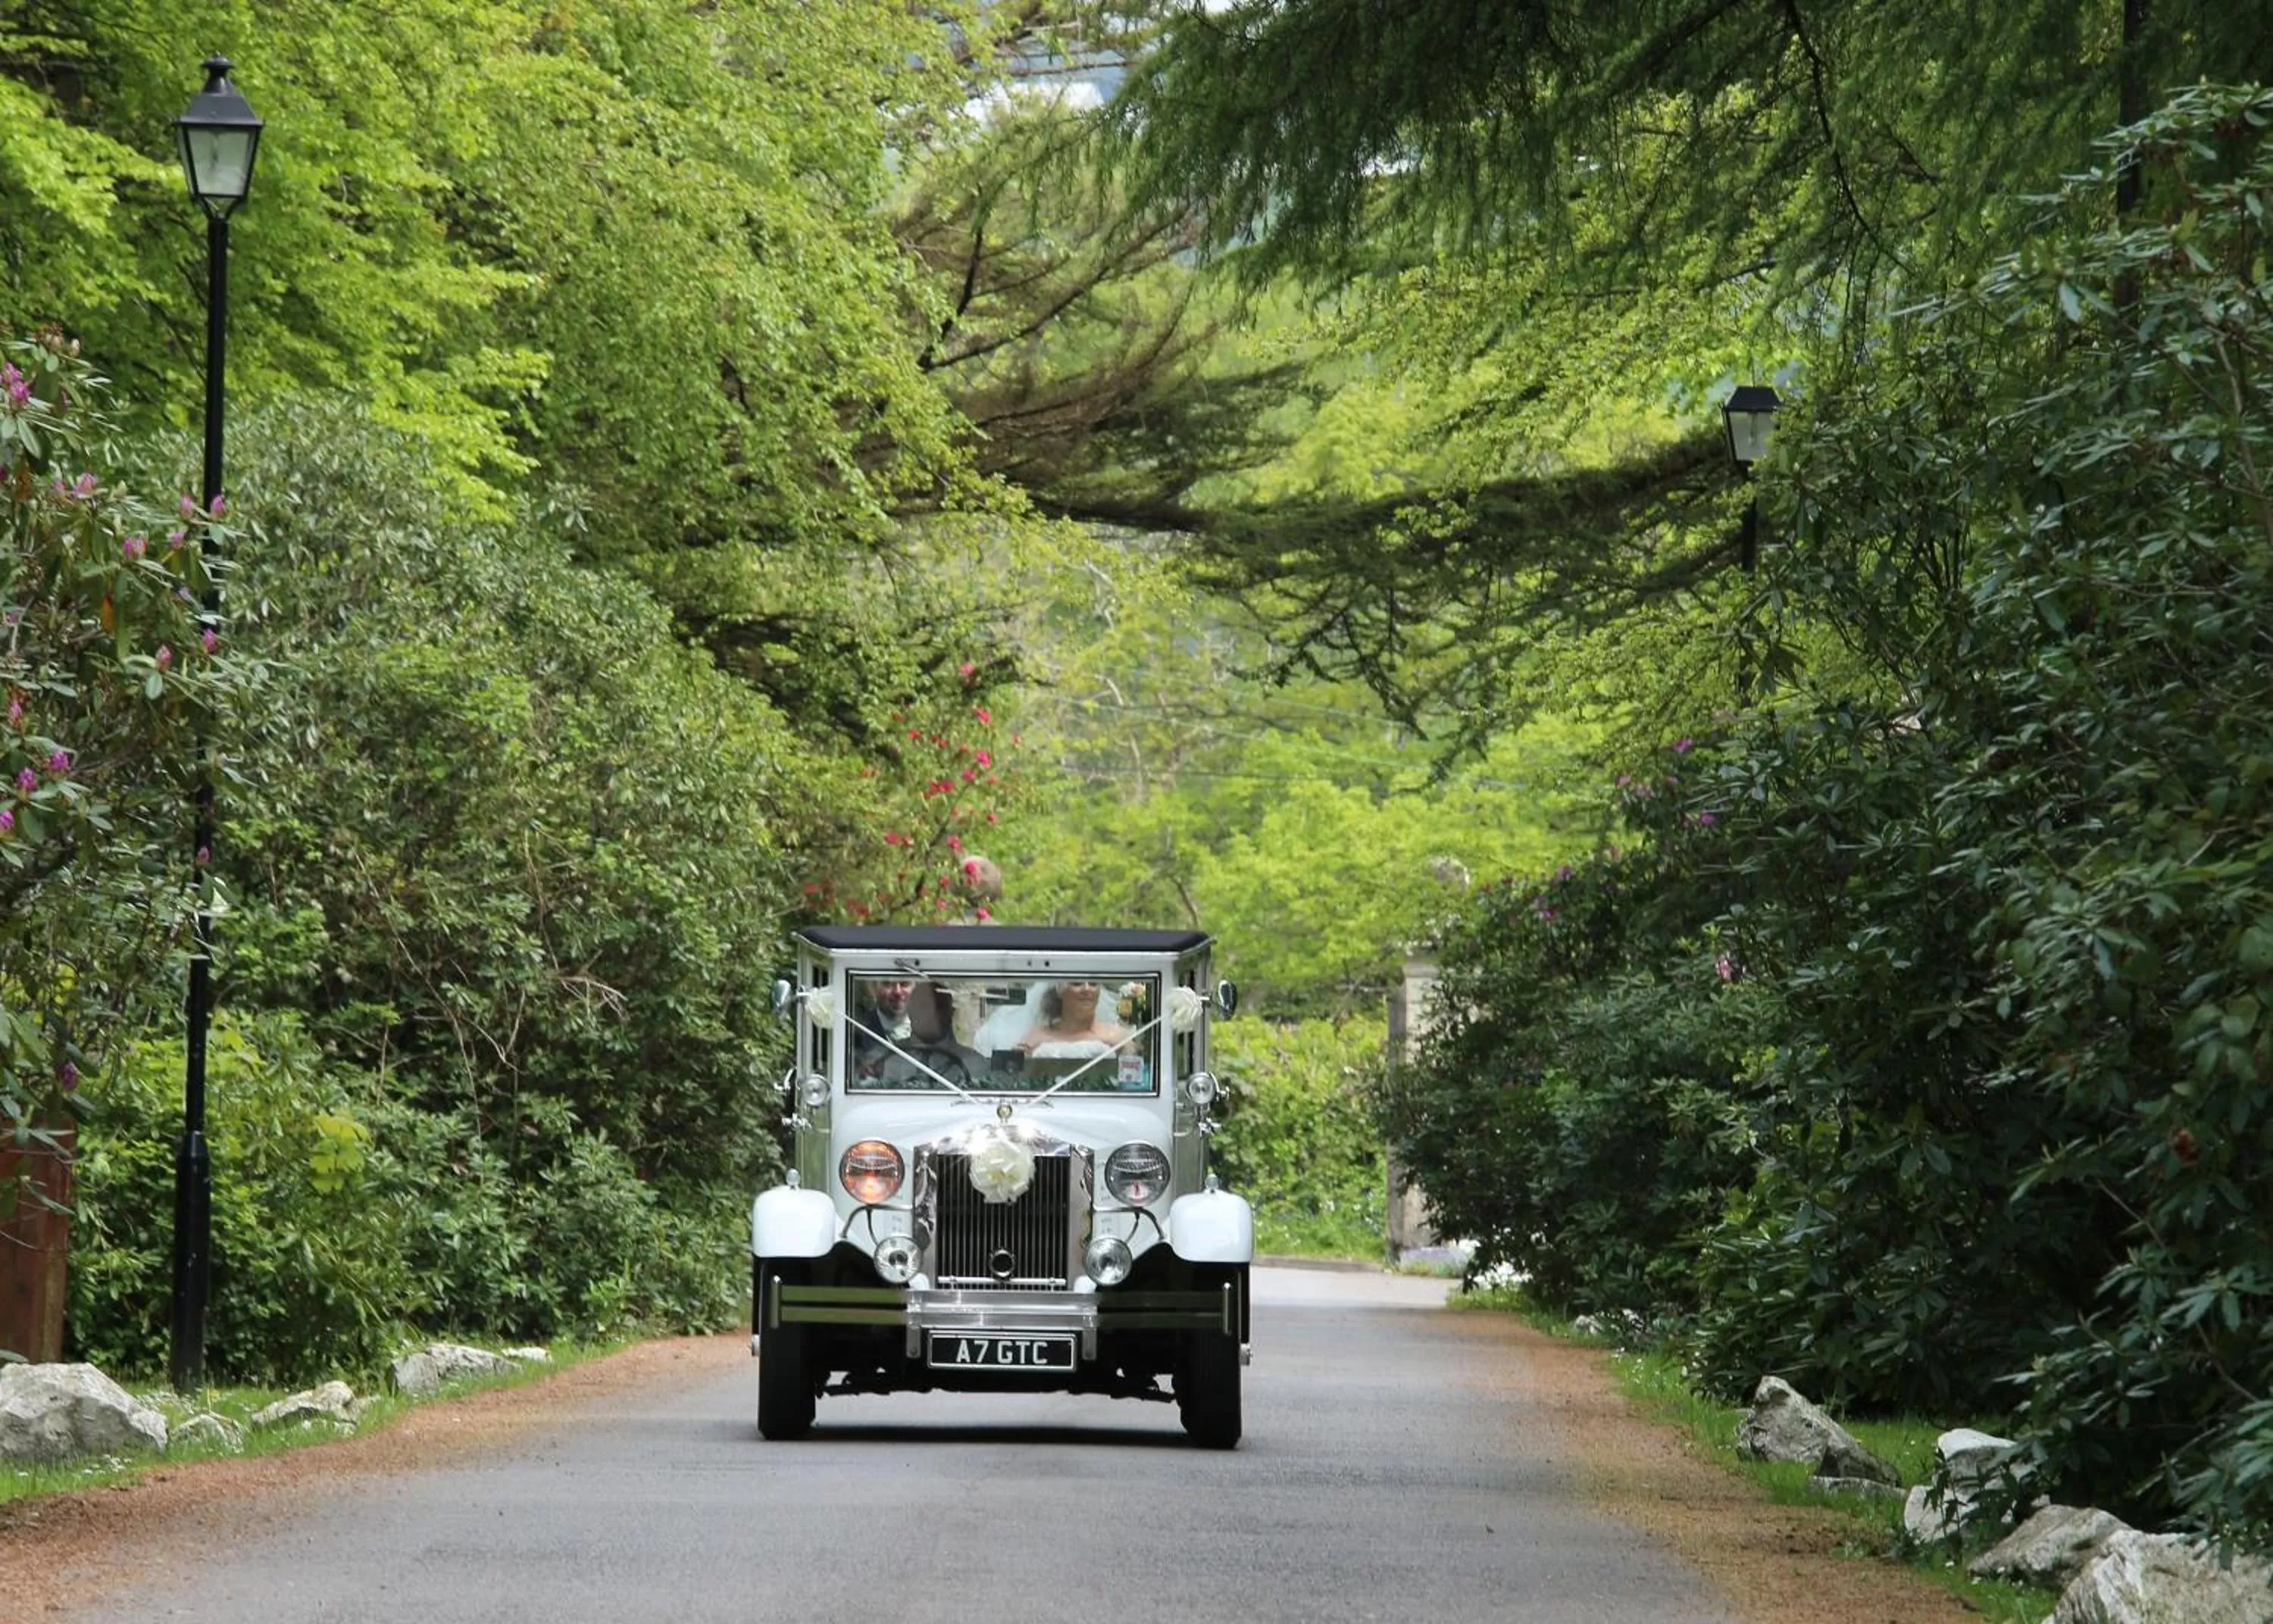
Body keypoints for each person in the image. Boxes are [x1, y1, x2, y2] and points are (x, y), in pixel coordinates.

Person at [1015, 979, 1130, 1054]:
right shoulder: (1036, 1036)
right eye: (1077, 983)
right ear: (1060, 991)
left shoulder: (1118, 1035)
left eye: (1093, 984)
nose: (1087, 989)